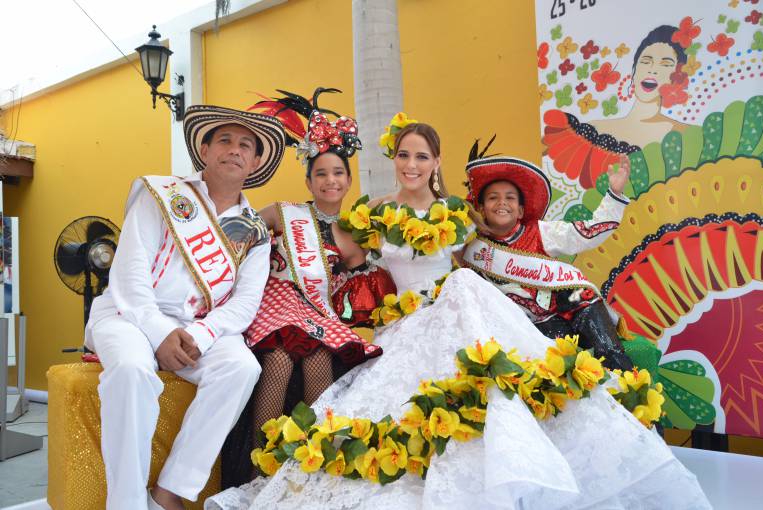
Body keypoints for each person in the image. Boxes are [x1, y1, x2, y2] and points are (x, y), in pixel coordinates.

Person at [206, 115, 709, 510]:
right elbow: (333, 250)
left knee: (488, 391)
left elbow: (511, 241)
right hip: (405, 326)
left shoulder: (459, 214)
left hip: (459, 313)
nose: (411, 163)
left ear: (435, 160)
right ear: (394, 158)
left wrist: (608, 200)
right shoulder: (374, 213)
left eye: (421, 156)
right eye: (403, 154)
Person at [85, 105, 286, 510]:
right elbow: (129, 274)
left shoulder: (256, 232)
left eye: (246, 145)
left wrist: (198, 334)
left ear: (256, 161)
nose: (234, 150)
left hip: (197, 329)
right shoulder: (161, 193)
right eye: (225, 141)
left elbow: (244, 304)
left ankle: (169, 491)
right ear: (205, 150)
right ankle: (125, 504)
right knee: (130, 371)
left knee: (242, 367)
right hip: (129, 315)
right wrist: (160, 334)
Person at [220, 89, 395, 488]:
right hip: (275, 307)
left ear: (349, 180)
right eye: (321, 174)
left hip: (317, 317)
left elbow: (355, 294)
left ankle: (314, 465)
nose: (330, 180)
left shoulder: (353, 236)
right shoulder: (283, 213)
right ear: (308, 180)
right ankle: (260, 469)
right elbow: (232, 238)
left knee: (318, 364)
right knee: (279, 361)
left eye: (338, 173)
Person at [461, 140, 633, 370]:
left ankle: (623, 377)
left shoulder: (542, 232)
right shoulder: (475, 252)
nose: (502, 202)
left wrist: (615, 193)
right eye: (493, 197)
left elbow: (589, 232)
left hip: (567, 308)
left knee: (583, 297)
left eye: (510, 197)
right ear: (481, 208)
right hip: (528, 328)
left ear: (521, 210)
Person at [543, 24, 690, 189]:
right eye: (646, 61)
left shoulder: (685, 135)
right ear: (634, 70)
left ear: (676, 77)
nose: (653, 70)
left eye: (666, 64)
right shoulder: (592, 130)